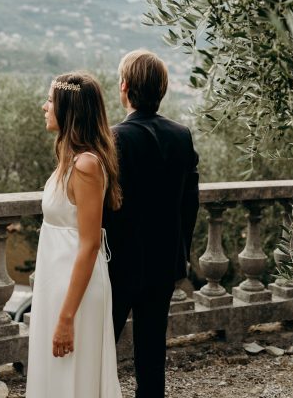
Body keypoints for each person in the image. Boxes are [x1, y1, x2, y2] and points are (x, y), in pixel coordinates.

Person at [103, 50, 199, 398]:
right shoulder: (181, 135)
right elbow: (190, 204)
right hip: (163, 262)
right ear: (162, 89)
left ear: (124, 86)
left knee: (101, 349)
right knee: (152, 353)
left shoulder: (113, 139)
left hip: (118, 266)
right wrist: (180, 251)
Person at [26, 72, 123, 398]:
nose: (45, 106)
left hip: (75, 293)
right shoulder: (68, 161)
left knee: (72, 381)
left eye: (51, 100)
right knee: (55, 378)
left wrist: (66, 317)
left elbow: (90, 243)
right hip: (56, 286)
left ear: (69, 109)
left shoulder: (86, 166)